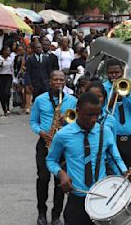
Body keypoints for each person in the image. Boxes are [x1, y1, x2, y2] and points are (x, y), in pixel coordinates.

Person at [46, 92, 131, 225]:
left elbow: (114, 158)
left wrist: (124, 172)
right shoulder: (63, 135)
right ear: (78, 111)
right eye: (89, 115)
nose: (94, 119)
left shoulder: (105, 132)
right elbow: (51, 160)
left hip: (102, 197)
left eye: (97, 114)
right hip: (77, 197)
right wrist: (61, 173)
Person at [30, 71, 77, 225]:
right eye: (55, 79)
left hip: (64, 146)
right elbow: (33, 122)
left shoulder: (72, 100)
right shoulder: (40, 100)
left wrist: (67, 122)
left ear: (64, 82)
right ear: (50, 81)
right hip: (45, 143)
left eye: (61, 80)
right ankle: (41, 213)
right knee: (43, 179)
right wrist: (42, 132)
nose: (58, 82)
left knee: (61, 182)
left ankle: (56, 215)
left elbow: (77, 122)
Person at [103, 58, 131, 167]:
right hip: (110, 137)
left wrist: (127, 95)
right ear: (107, 73)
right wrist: (113, 97)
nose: (114, 75)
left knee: (127, 173)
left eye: (117, 72)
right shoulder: (103, 88)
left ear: (122, 72)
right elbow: (102, 113)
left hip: (126, 139)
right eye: (111, 73)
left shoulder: (129, 87)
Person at [0, 46, 14, 116]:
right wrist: (0, 66)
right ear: (4, 51)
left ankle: (8, 106)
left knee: (7, 92)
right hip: (1, 76)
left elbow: (12, 69)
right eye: (7, 51)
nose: (9, 52)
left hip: (8, 76)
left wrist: (13, 78)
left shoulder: (10, 59)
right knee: (1, 94)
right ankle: (4, 109)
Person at [13, 44, 26, 111]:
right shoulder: (16, 57)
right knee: (19, 90)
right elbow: (14, 67)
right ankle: (20, 103)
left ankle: (24, 104)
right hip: (19, 75)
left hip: (25, 75)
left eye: (21, 50)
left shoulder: (27, 57)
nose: (19, 51)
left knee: (24, 91)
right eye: (18, 50)